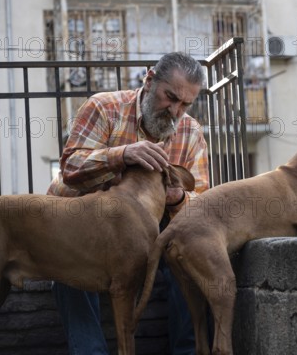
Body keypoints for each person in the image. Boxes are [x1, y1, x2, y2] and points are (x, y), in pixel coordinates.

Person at [47, 52, 210, 355]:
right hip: (82, 220)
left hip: (147, 230)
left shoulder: (191, 132)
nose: (175, 112)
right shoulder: (104, 107)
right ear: (149, 81)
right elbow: (70, 168)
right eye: (169, 97)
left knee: (192, 257)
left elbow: (200, 203)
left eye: (185, 104)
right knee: (66, 267)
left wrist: (177, 198)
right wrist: (120, 155)